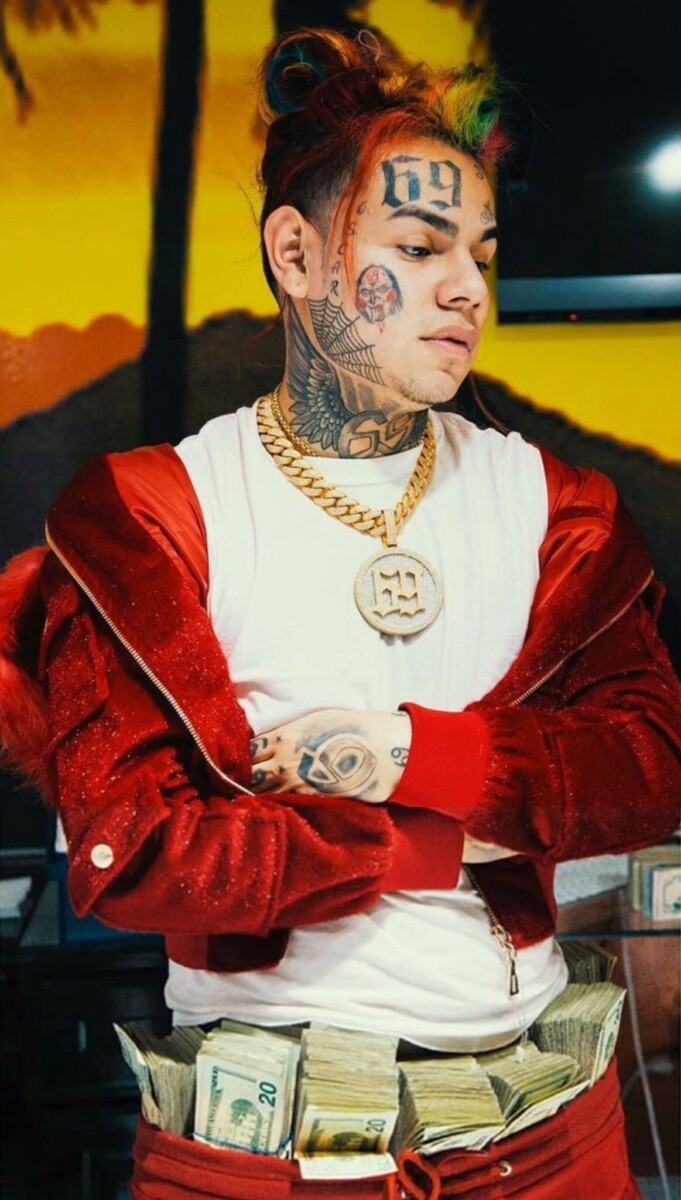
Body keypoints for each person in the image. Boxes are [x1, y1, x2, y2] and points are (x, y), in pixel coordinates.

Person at [1, 27, 680, 1200]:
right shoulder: (153, 514)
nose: (467, 288)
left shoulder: (557, 507)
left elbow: (651, 766)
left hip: (548, 1141)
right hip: (263, 1161)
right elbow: (138, 852)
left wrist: (406, 753)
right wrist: (441, 835)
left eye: (480, 251)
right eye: (417, 247)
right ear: (298, 253)